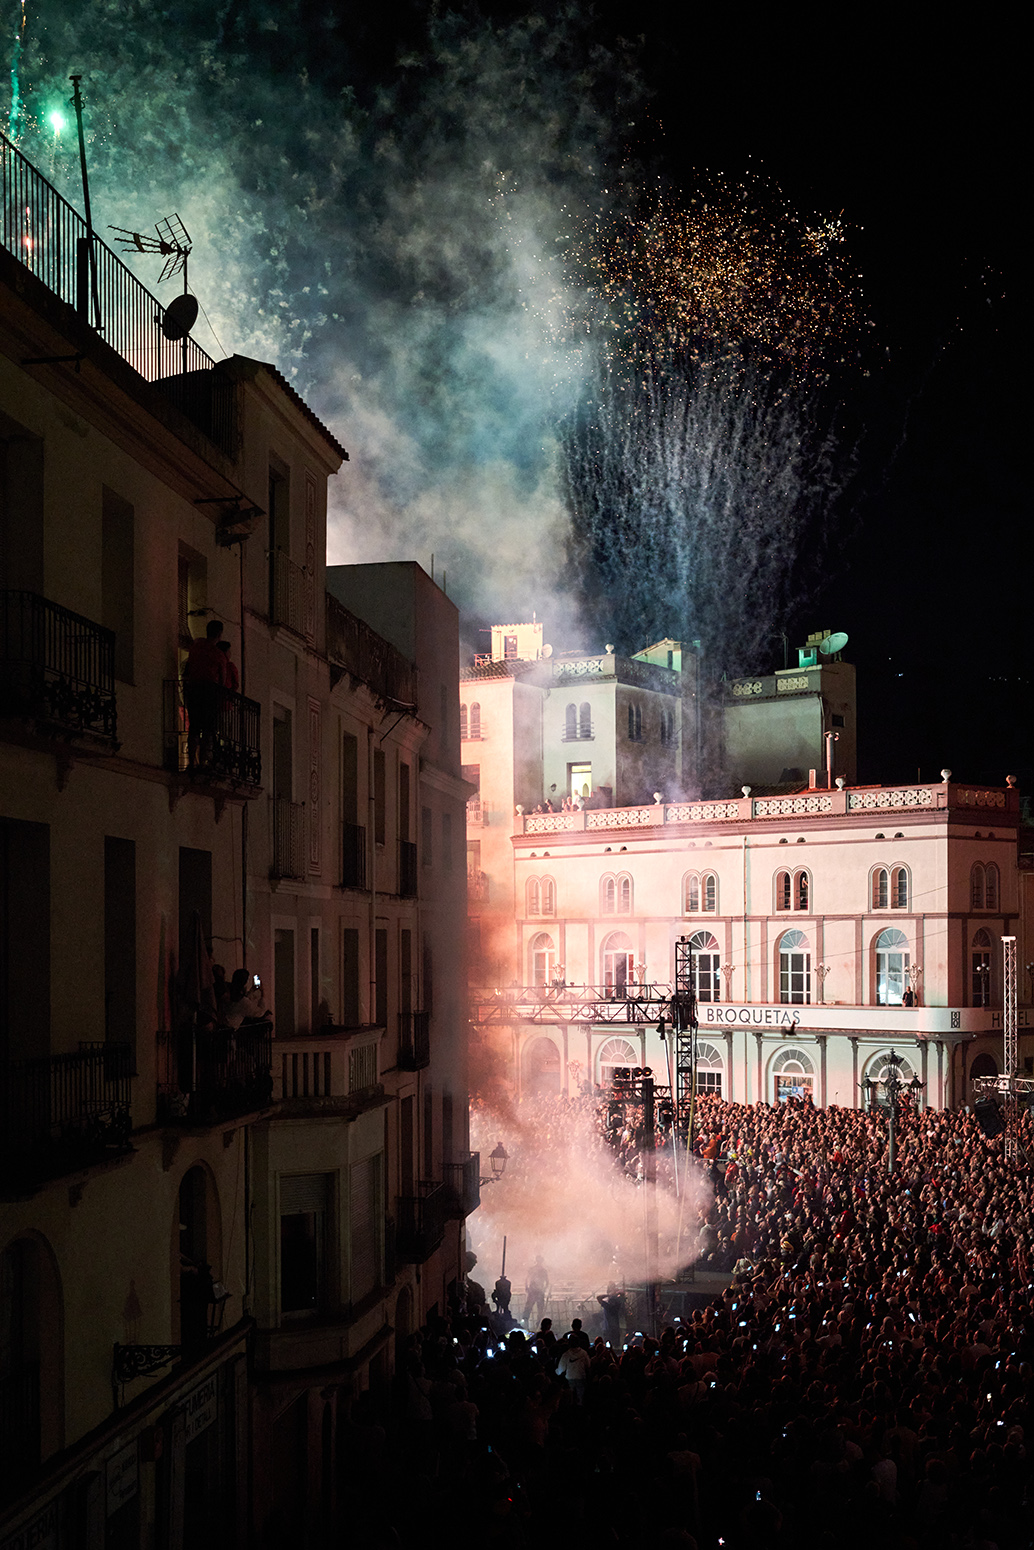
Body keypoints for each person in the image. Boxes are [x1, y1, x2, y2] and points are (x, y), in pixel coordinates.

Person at [183, 619, 228, 768]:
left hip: (194, 690)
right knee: (208, 730)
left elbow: (188, 668)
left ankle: (191, 761)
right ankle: (202, 763)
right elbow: (222, 679)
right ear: (219, 634)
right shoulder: (219, 655)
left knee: (194, 728)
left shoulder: (196, 647)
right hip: (210, 693)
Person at [523, 1255, 549, 1325]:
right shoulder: (535, 1270)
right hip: (534, 1291)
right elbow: (527, 1278)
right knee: (531, 1308)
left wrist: (544, 1289)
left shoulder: (542, 1271)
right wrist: (527, 1287)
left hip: (537, 1291)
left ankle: (537, 1322)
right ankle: (527, 1321)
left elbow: (547, 1282)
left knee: (537, 1308)